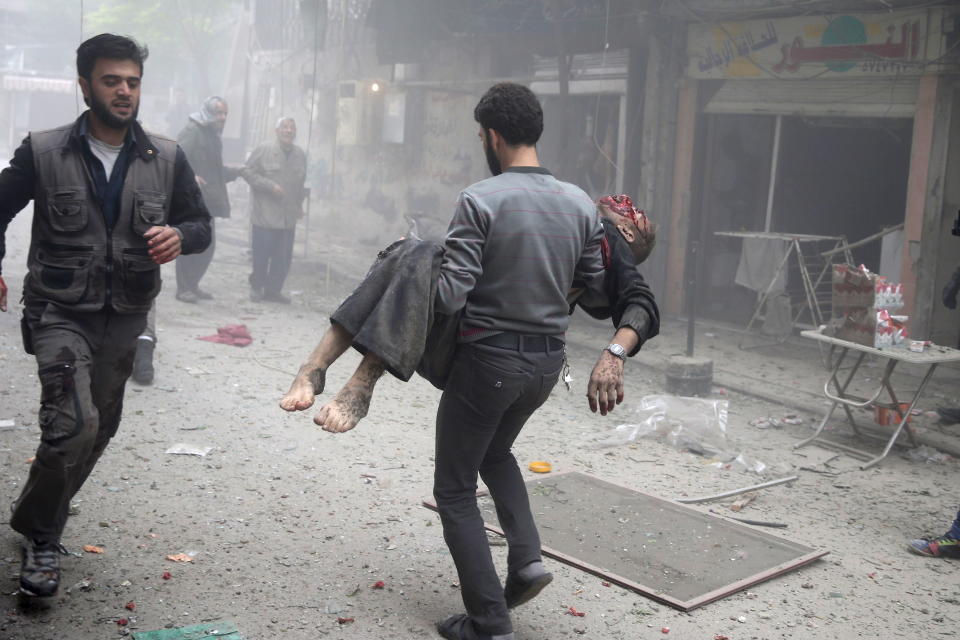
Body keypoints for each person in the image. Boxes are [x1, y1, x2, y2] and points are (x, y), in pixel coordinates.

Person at [0, 33, 211, 598]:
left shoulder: (166, 157)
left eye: (132, 82)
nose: (124, 91)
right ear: (85, 85)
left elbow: (201, 224)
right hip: (58, 309)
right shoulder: (42, 151)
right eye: (111, 80)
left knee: (100, 428)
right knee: (74, 423)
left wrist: (180, 236)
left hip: (126, 316)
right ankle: (43, 541)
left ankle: (35, 515)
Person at [175, 96, 239, 303]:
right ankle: (183, 288)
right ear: (208, 112)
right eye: (219, 112)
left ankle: (192, 285)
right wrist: (190, 175)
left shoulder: (212, 135)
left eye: (225, 113)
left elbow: (213, 170)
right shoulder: (194, 130)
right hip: (191, 200)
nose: (222, 118)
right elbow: (176, 157)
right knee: (191, 242)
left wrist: (234, 172)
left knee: (206, 244)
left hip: (208, 201)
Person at [242, 117, 307, 303]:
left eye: (292, 128)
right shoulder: (264, 150)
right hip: (266, 214)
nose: (288, 131)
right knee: (262, 254)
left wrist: (299, 205)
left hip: (288, 215)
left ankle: (273, 290)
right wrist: (269, 186)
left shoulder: (300, 155)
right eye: (284, 127)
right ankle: (257, 287)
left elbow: (300, 183)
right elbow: (247, 172)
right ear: (276, 131)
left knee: (283, 256)